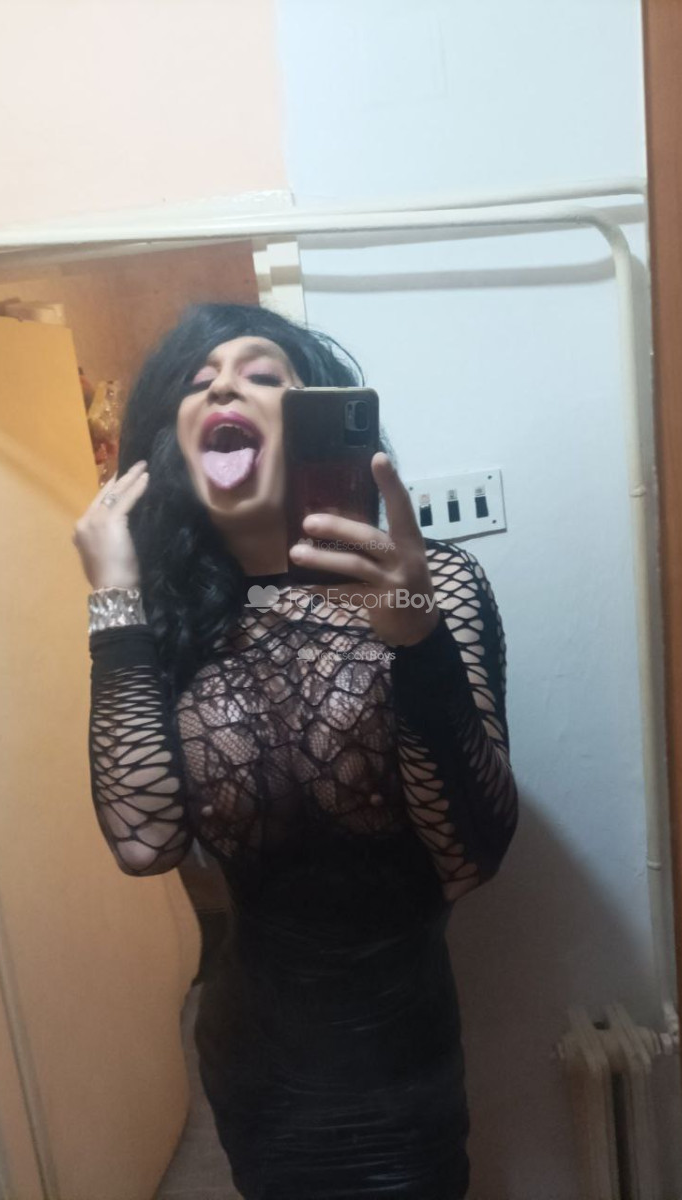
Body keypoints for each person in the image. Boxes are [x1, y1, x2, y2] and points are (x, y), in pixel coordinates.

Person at [73, 303, 519, 1200]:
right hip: (254, 1063)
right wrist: (115, 598)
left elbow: (471, 854)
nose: (223, 387)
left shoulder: (436, 580)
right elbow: (144, 842)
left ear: (318, 420)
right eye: (197, 382)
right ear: (171, 447)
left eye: (262, 375)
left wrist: (416, 637)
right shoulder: (166, 618)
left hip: (402, 1066)